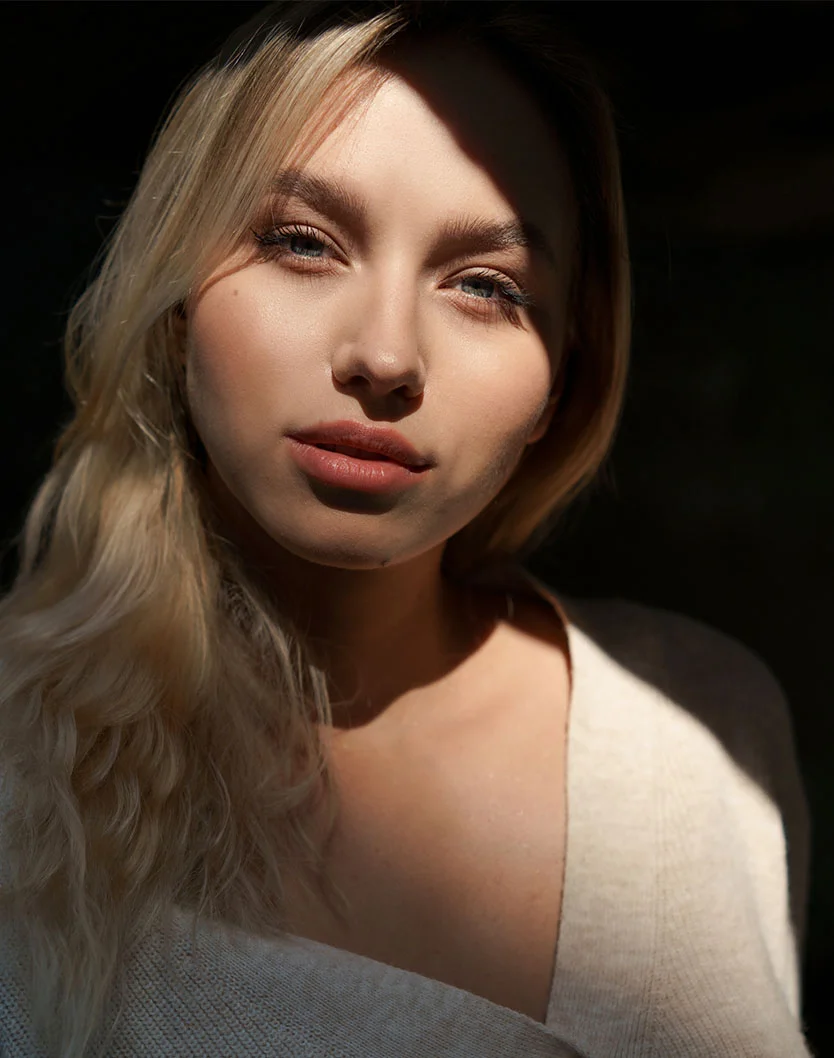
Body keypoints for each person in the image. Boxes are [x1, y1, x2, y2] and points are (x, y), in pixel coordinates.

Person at [0, 2, 811, 1056]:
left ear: (567, 372)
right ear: (177, 299)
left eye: (485, 285)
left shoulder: (704, 728)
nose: (384, 354)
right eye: (301, 242)